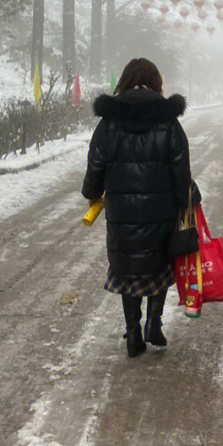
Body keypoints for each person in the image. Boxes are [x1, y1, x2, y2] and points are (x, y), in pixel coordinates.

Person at [82, 58, 193, 358]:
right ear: (155, 81)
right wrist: (185, 200)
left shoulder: (109, 121)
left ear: (125, 81)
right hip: (161, 209)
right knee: (159, 262)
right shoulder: (168, 120)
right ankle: (154, 323)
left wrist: (91, 192)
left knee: (129, 268)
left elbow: (96, 163)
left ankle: (133, 331)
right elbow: (180, 165)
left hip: (122, 212)